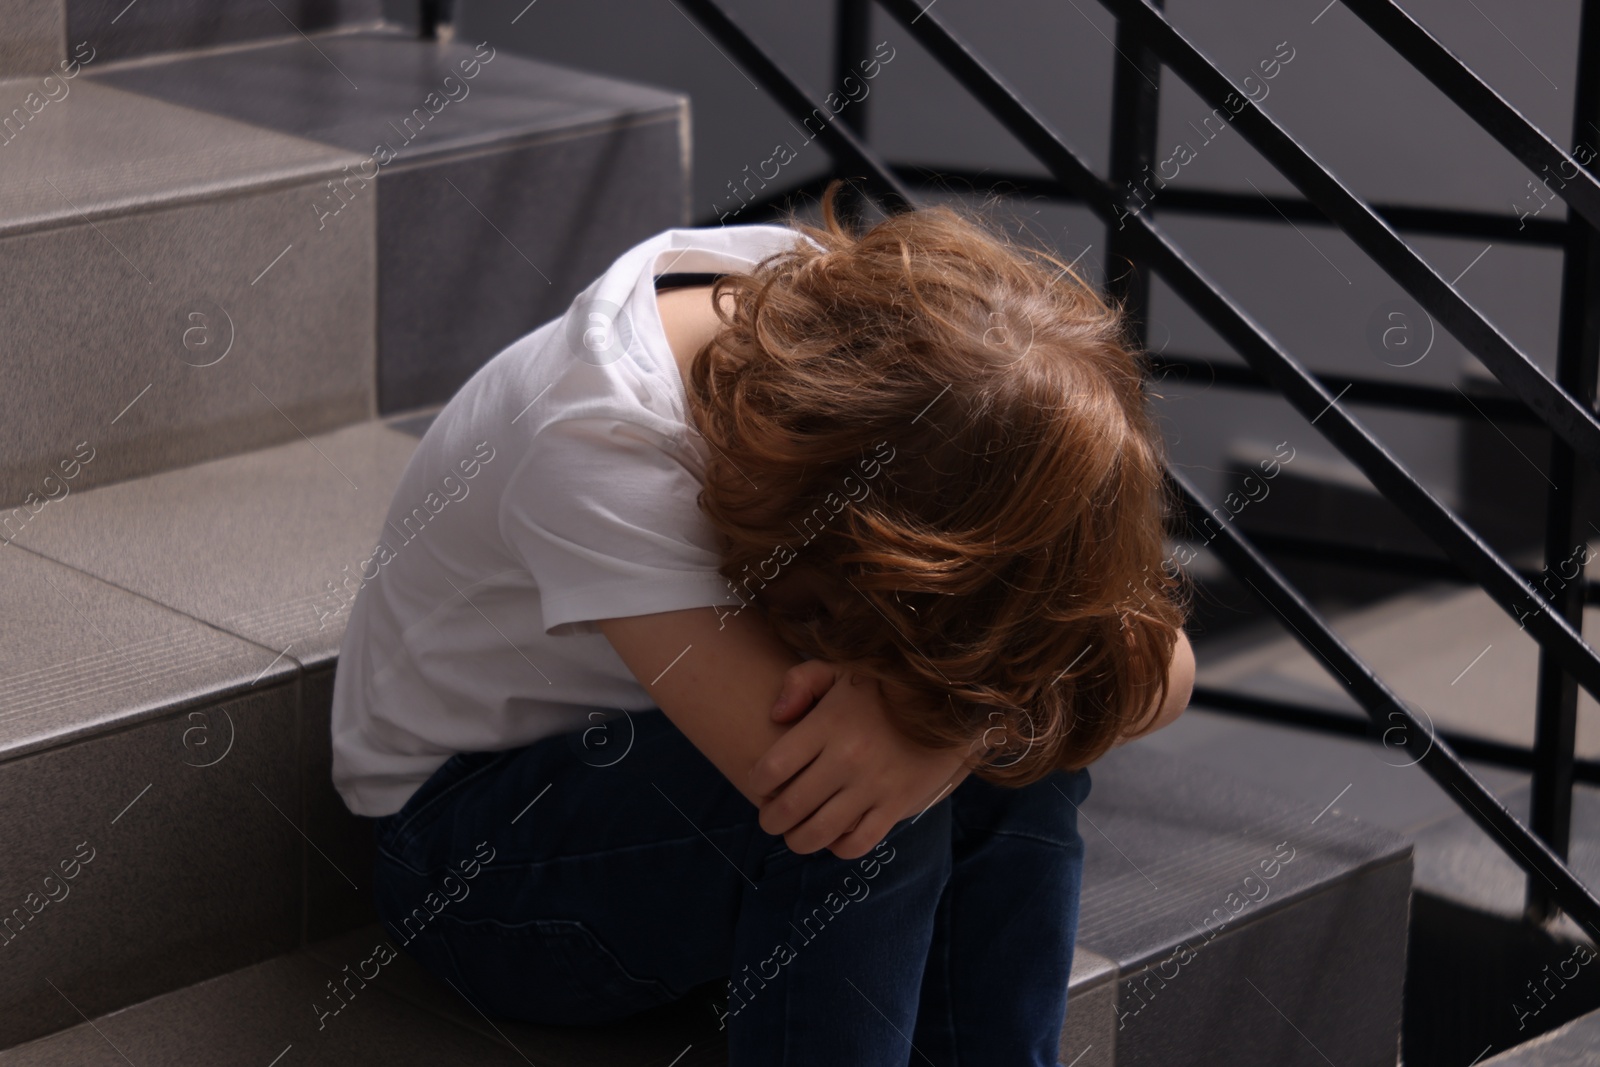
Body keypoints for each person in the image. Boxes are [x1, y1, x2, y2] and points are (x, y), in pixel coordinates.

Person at [330, 181, 1194, 1066]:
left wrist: (979, 719)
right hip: (467, 849)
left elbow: (1161, 669)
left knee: (1023, 743)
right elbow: (834, 785)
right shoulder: (602, 443)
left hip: (663, 757)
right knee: (858, 814)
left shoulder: (873, 350)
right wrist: (980, 715)